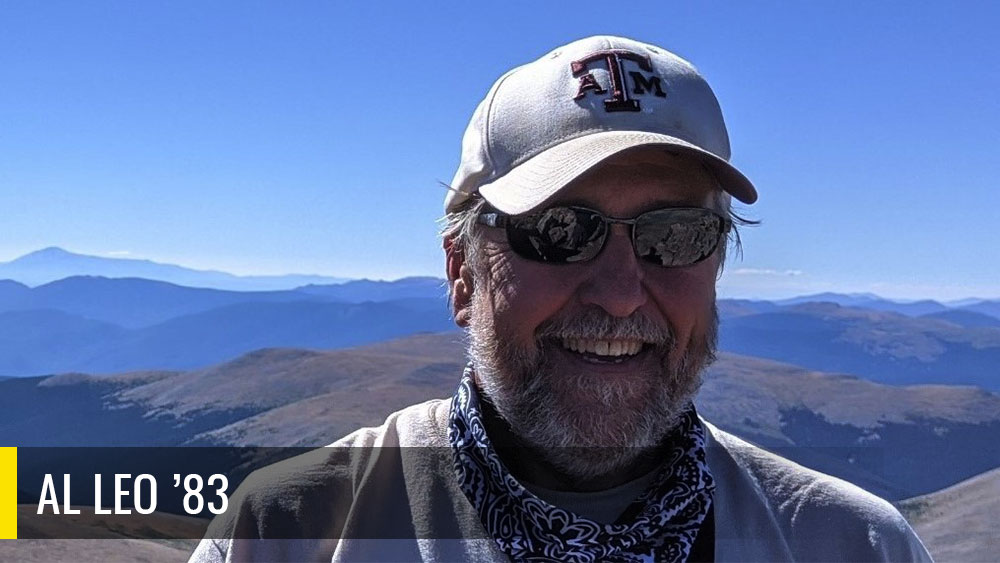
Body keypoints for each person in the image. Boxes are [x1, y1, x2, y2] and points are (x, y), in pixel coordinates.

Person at [189, 35, 932, 562]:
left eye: (674, 234)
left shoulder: (853, 544)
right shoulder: (288, 533)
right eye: (558, 229)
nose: (617, 294)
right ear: (461, 272)